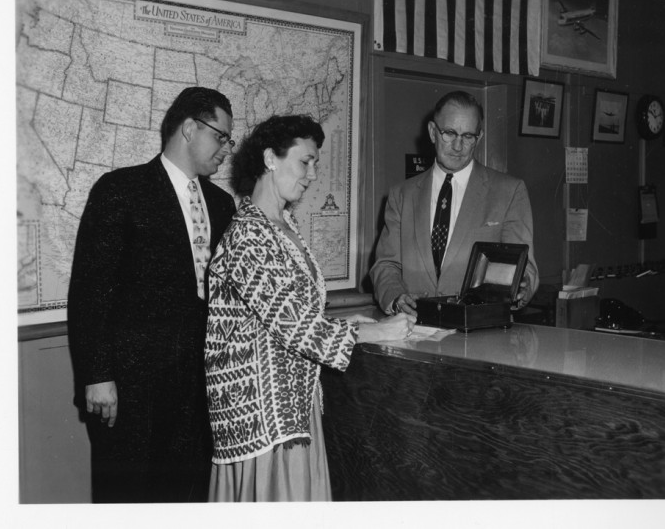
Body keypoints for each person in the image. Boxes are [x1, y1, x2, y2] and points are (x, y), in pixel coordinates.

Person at [205, 114, 415, 502]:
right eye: (306, 161)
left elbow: (294, 311)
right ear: (271, 158)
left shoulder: (283, 224)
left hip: (292, 406)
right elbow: (292, 325)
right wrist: (374, 331)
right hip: (262, 419)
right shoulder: (248, 233)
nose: (313, 173)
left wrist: (349, 320)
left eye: (316, 163)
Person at [68, 87, 237, 503]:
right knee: (126, 498)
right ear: (189, 127)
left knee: (185, 498)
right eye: (221, 137)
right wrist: (97, 374)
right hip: (129, 391)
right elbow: (90, 291)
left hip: (197, 393)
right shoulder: (120, 190)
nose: (226, 150)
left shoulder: (221, 204)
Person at [370, 90, 538, 316]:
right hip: (414, 332)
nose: (458, 146)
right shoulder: (402, 195)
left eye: (468, 136)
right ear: (432, 132)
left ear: (478, 138)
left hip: (480, 335)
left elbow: (525, 267)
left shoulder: (509, 191)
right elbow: (386, 265)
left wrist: (521, 288)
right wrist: (397, 297)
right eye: (449, 133)